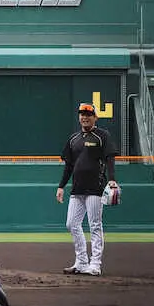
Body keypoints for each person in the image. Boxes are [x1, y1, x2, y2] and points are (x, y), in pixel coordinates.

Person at [57, 102, 119, 276]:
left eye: (88, 114)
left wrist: (112, 180)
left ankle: (95, 264)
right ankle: (82, 261)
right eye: (82, 114)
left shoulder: (102, 136)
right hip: (77, 189)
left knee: (95, 225)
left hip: (95, 187)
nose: (84, 117)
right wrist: (61, 186)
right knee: (71, 224)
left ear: (95, 117)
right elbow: (69, 165)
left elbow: (110, 158)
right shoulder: (74, 139)